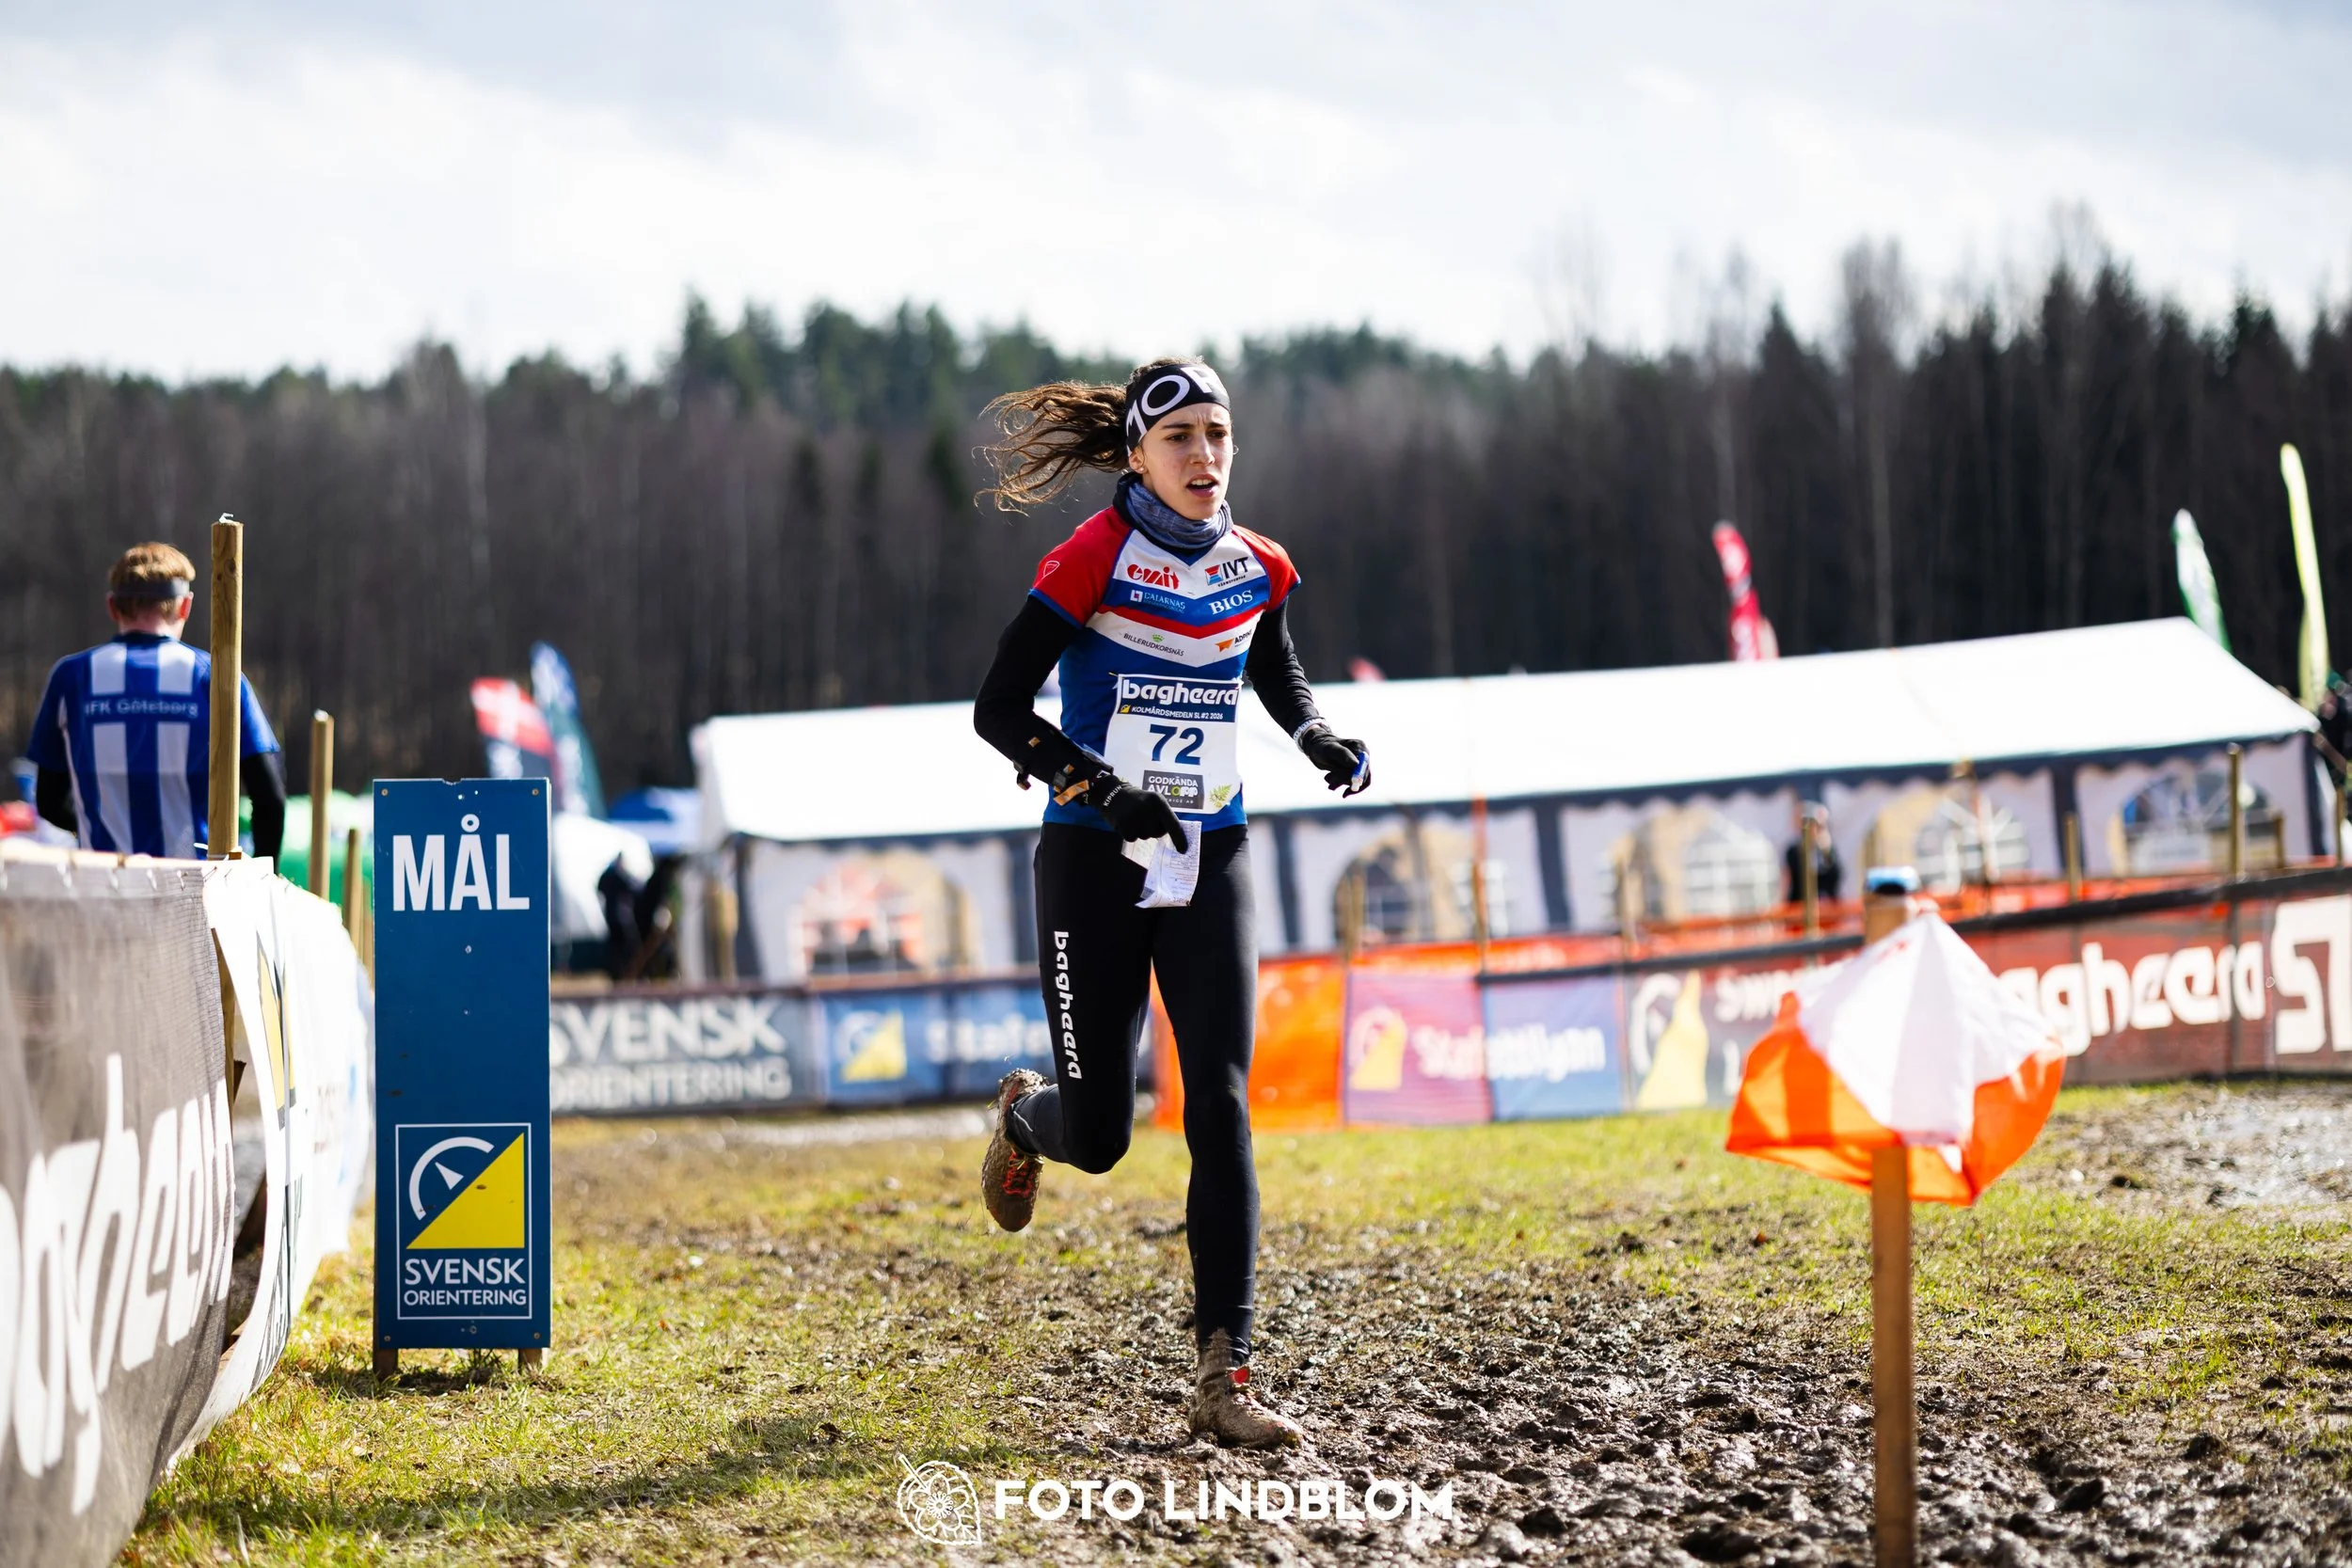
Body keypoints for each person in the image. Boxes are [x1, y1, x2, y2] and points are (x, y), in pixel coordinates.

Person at [970, 359, 1369, 1449]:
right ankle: (1023, 1113)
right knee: (1099, 1138)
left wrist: (1317, 734)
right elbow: (998, 709)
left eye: (1218, 433)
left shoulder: (1259, 563)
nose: (1204, 455)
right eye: (1180, 436)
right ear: (1137, 453)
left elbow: (1268, 665)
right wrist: (1102, 786)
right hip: (1096, 856)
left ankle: (1222, 1374)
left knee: (1222, 1102)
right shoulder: (1094, 554)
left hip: (1212, 849)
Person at [26, 542, 285, 863]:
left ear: (112, 606)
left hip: (105, 893)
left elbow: (49, 801)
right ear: (185, 607)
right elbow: (270, 799)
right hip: (196, 894)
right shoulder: (216, 677)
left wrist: (100, 828)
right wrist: (260, 884)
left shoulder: (71, 677)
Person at [1785, 802, 1841, 905]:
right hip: (1800, 907)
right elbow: (1795, 878)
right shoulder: (1794, 851)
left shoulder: (1828, 850)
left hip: (1827, 909)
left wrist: (1826, 850)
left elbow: (1836, 876)